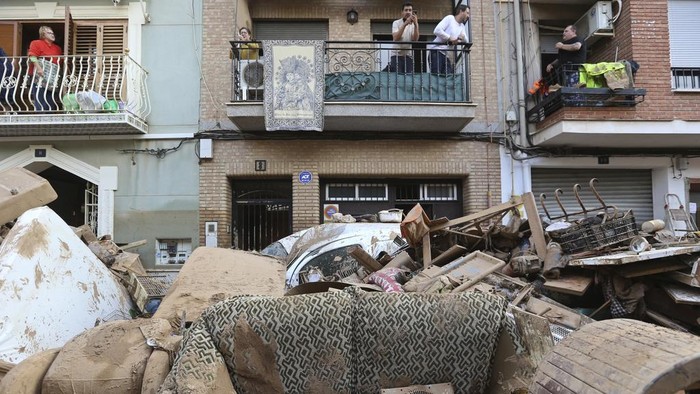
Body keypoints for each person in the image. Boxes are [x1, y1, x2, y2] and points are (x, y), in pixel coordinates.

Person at [28, 25, 62, 111]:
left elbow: (59, 62)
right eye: (49, 33)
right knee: (40, 99)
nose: (52, 34)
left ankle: (50, 118)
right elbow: (32, 56)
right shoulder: (36, 43)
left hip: (52, 76)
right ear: (43, 34)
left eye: (53, 33)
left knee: (51, 100)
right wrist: (39, 68)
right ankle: (40, 118)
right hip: (40, 75)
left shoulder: (57, 48)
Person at [428, 4, 469, 74]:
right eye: (467, 13)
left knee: (448, 79)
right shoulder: (450, 18)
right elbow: (437, 30)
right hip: (436, 51)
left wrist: (462, 37)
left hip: (446, 55)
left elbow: (466, 41)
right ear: (461, 11)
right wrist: (449, 38)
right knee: (436, 77)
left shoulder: (461, 26)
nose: (468, 16)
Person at [389, 2, 419, 73]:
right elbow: (396, 37)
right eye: (406, 10)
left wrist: (416, 25)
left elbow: (415, 39)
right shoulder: (396, 23)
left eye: (410, 10)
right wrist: (405, 24)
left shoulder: (413, 25)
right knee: (397, 79)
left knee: (408, 79)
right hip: (396, 56)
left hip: (408, 56)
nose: (408, 12)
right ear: (402, 12)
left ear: (412, 12)